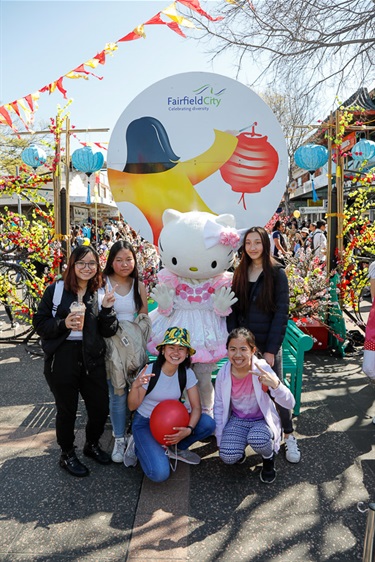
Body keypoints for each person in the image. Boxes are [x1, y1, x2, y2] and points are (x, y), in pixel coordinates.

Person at [33, 245, 118, 477]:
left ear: (97, 267)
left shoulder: (100, 292)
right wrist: (63, 324)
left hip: (92, 357)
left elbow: (108, 331)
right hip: (62, 357)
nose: (86, 268)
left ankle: (91, 444)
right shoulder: (57, 290)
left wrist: (108, 310)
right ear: (71, 265)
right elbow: (39, 323)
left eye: (91, 264)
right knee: (67, 410)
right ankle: (67, 453)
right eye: (80, 263)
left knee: (100, 407)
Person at [227, 226, 301, 463]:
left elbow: (281, 313)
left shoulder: (276, 273)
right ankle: (245, 432)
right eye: (248, 243)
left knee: (275, 388)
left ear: (265, 244)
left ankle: (289, 435)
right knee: (243, 389)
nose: (252, 248)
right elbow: (232, 308)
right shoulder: (239, 272)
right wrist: (234, 339)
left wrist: (270, 349)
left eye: (257, 242)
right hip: (244, 345)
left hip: (267, 344)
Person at [124, 327, 216, 482]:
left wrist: (188, 429)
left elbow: (196, 407)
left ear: (187, 353)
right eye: (171, 347)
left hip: (172, 422)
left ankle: (176, 449)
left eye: (181, 349)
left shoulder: (186, 373)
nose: (176, 352)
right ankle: (136, 446)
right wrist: (135, 387)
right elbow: (132, 407)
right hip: (145, 423)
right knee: (159, 474)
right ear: (163, 350)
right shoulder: (151, 371)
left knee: (207, 423)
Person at [214, 328, 296, 483]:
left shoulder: (261, 369)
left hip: (261, 420)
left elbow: (290, 403)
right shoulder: (223, 374)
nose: (237, 355)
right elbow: (218, 405)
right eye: (233, 349)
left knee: (258, 440)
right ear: (227, 351)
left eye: (243, 349)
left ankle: (268, 458)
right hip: (238, 420)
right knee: (228, 455)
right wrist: (220, 438)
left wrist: (276, 385)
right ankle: (239, 449)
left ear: (253, 350)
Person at [101, 240, 150, 463]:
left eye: (128, 259)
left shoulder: (139, 285)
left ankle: (134, 433)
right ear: (111, 261)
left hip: (134, 349)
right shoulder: (101, 283)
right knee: (117, 393)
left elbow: (143, 319)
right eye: (118, 259)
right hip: (110, 350)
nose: (124, 264)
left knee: (137, 390)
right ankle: (118, 437)